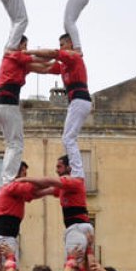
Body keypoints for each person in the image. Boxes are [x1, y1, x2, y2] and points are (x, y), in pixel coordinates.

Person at [0, 37, 55, 186]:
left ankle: (6, 179)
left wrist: (57, 66)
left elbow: (42, 67)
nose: (26, 48)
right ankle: (8, 180)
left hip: (1, 106)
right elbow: (39, 59)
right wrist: (61, 58)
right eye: (24, 45)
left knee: (11, 144)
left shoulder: (20, 62)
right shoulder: (13, 55)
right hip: (8, 105)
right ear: (18, 45)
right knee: (17, 144)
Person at [30, 35, 91, 179]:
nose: (61, 47)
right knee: (68, 138)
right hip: (76, 102)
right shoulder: (64, 65)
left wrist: (27, 53)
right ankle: (75, 170)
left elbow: (52, 53)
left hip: (80, 100)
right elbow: (45, 67)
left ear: (70, 44)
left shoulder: (73, 57)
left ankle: (77, 172)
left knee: (68, 138)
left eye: (62, 44)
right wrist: (25, 66)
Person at [17, 156, 93, 264]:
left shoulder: (72, 181)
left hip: (77, 227)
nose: (56, 170)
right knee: (81, 267)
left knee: (72, 265)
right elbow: (43, 192)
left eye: (59, 167)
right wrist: (24, 194)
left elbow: (48, 181)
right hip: (77, 227)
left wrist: (24, 179)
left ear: (68, 168)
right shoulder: (63, 187)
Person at [0, 161, 55, 259]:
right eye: (23, 172)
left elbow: (35, 194)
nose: (26, 175)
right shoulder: (13, 186)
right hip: (3, 238)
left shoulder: (16, 191)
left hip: (2, 237)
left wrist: (53, 190)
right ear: (16, 172)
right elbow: (39, 186)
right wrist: (58, 183)